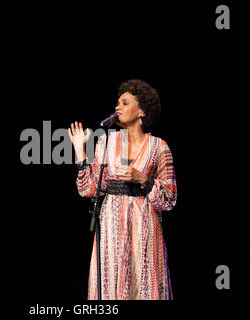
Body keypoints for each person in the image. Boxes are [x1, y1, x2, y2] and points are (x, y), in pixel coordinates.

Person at [68, 79, 177, 300]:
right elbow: (88, 189)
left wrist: (144, 179)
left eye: (125, 103)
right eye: (117, 103)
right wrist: (80, 153)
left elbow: (169, 198)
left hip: (144, 231)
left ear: (142, 111)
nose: (118, 107)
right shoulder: (105, 143)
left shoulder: (159, 147)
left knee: (144, 286)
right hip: (111, 231)